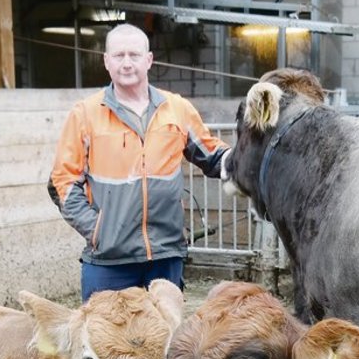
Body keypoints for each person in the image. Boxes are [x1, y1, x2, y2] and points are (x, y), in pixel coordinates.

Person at [49, 24, 230, 301]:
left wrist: (248, 160)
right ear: (106, 61)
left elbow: (212, 155)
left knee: (163, 340)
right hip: (109, 260)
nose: (126, 63)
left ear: (149, 60)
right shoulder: (85, 114)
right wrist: (98, 231)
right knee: (106, 341)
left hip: (164, 256)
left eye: (134, 55)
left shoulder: (177, 109)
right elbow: (62, 182)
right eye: (118, 55)